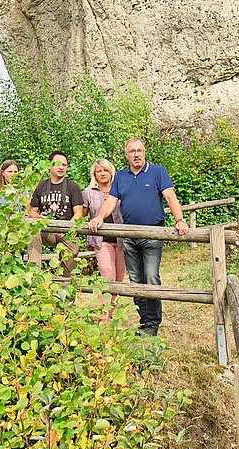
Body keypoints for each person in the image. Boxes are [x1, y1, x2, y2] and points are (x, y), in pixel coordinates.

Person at [88, 137, 187, 336]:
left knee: (151, 277)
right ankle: (144, 322)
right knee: (136, 280)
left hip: (152, 233)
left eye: (139, 150)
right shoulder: (121, 177)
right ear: (126, 155)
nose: (136, 154)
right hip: (129, 235)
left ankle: (153, 323)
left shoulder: (158, 171)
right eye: (132, 151)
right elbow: (111, 202)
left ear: (144, 152)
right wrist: (99, 217)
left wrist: (180, 220)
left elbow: (170, 196)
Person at [82, 158, 126, 314]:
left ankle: (113, 313)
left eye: (105, 170)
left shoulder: (120, 189)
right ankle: (103, 314)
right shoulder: (88, 193)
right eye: (99, 171)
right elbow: (81, 215)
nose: (102, 173)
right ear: (94, 174)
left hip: (121, 240)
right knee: (107, 276)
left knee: (119, 279)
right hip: (101, 241)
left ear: (111, 172)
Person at [27, 151, 86, 223]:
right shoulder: (41, 186)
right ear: (49, 165)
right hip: (44, 230)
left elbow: (79, 214)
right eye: (58, 164)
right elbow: (31, 212)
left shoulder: (73, 187)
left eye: (64, 165)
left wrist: (67, 229)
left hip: (65, 231)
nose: (61, 168)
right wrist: (40, 217)